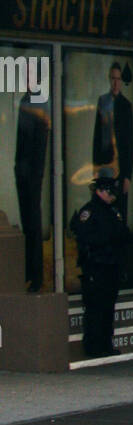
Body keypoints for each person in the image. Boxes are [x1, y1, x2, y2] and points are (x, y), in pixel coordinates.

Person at [70, 175, 132, 357]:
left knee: (107, 308)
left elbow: (124, 234)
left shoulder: (113, 211)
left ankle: (105, 344)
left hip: (112, 266)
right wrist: (109, 239)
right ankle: (93, 346)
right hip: (95, 267)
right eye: (109, 192)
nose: (113, 196)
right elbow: (84, 237)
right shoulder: (90, 211)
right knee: (95, 308)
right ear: (100, 191)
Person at [15, 90, 50, 292]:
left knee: (34, 224)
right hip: (23, 171)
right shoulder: (25, 101)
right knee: (28, 222)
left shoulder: (40, 102)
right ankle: (31, 272)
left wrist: (36, 174)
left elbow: (40, 138)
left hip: (32, 173)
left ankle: (36, 275)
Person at [92, 62, 133, 219]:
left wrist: (127, 175)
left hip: (119, 167)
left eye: (118, 79)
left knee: (119, 211)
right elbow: (97, 136)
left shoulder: (126, 105)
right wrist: (95, 167)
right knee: (103, 211)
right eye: (113, 79)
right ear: (109, 79)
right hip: (105, 166)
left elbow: (129, 142)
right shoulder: (103, 101)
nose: (115, 83)